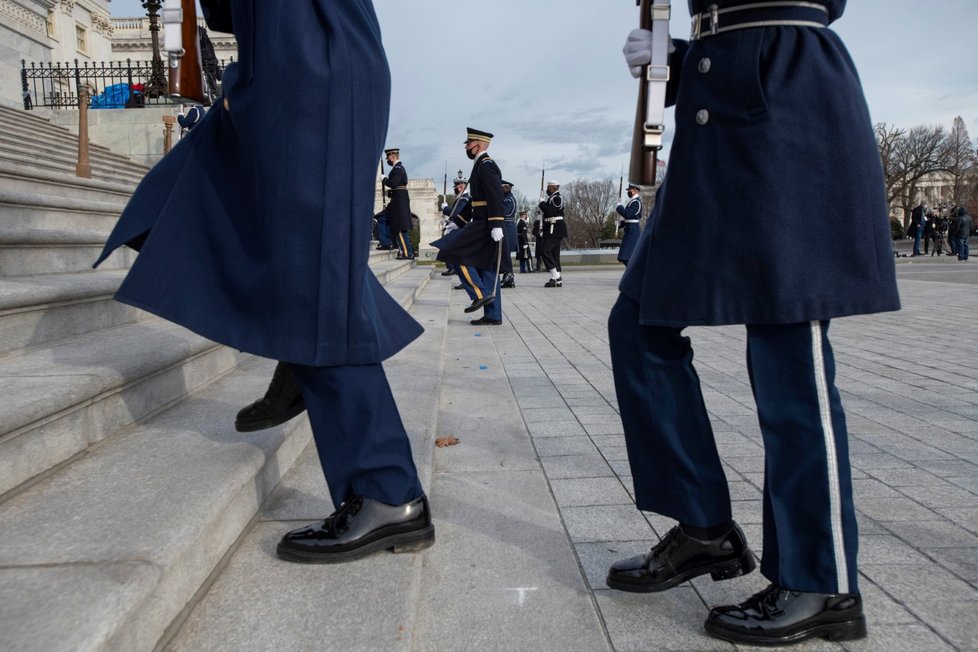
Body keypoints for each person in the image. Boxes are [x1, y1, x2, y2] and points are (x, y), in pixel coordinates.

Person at [93, 0, 434, 563]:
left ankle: (386, 492)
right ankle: (300, 346)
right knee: (177, 203)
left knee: (316, 278)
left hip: (307, 63)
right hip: (279, 60)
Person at [606, 1, 900, 646]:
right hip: (716, 115)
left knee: (786, 348)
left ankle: (822, 580)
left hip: (784, 95)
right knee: (638, 321)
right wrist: (682, 61)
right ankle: (705, 529)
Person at [431, 128, 506, 326]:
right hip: (483, 222)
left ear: (478, 145)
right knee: (487, 268)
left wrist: (497, 224)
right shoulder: (479, 165)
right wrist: (458, 221)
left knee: (453, 252)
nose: (466, 146)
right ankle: (493, 314)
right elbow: (475, 200)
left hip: (487, 224)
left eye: (469, 143)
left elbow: (495, 196)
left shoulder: (486, 165)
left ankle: (479, 294)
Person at [383, 148, 414, 260]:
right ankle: (405, 251)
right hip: (399, 199)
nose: (388, 160)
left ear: (392, 156)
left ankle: (407, 253)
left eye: (389, 158)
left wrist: (384, 180)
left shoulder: (397, 168)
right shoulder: (400, 168)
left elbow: (393, 183)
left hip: (399, 202)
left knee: (400, 228)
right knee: (399, 228)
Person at [538, 180, 567, 287]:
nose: (547, 189)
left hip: (555, 228)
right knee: (554, 253)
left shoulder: (557, 198)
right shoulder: (552, 198)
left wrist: (542, 203)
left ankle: (556, 276)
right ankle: (557, 279)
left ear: (554, 188)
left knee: (545, 251)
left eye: (549, 187)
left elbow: (551, 212)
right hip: (551, 227)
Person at [615, 183, 643, 265]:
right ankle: (633, 274)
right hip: (630, 230)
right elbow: (629, 219)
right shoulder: (633, 202)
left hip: (633, 231)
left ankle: (634, 275)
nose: (628, 192)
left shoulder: (636, 202)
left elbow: (627, 214)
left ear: (635, 191)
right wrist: (620, 223)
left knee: (626, 257)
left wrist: (619, 207)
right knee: (625, 257)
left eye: (630, 190)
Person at [500, 180, 518, 288]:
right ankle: (508, 276)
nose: (501, 190)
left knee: (505, 253)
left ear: (508, 188)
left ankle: (509, 277)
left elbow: (503, 212)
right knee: (504, 253)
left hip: (507, 227)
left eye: (503, 188)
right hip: (504, 227)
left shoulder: (509, 200)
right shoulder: (504, 199)